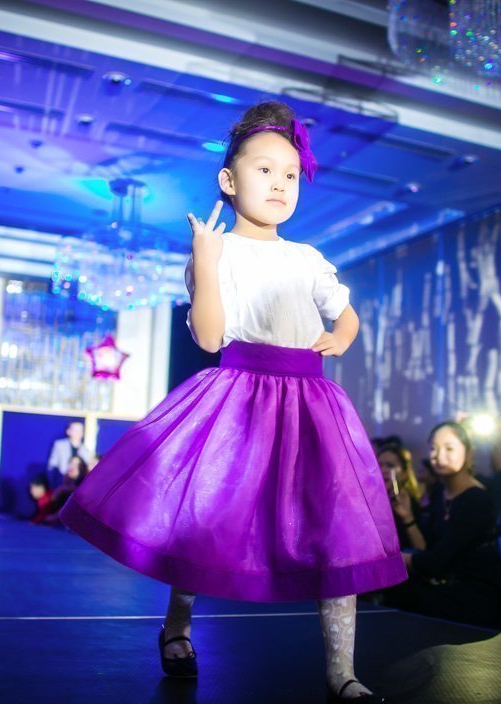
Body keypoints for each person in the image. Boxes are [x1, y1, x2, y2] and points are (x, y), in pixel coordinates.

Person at [58, 102, 405, 702]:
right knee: (207, 517)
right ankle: (177, 625)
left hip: (311, 402)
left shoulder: (307, 258)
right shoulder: (216, 252)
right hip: (240, 396)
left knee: (335, 526)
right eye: (264, 170)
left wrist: (342, 335)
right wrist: (206, 259)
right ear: (229, 180)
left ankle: (342, 671)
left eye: (290, 175)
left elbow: (345, 312)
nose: (279, 183)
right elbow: (210, 337)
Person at [382, 422, 501, 629]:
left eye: (449, 448)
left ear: (469, 453)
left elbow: (438, 560)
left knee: (400, 591)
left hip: (471, 593)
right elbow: (427, 549)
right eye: (434, 448)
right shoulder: (440, 494)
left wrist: (399, 559)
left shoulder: (477, 500)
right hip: (442, 583)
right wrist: (408, 518)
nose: (439, 455)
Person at [378, 444, 427, 549]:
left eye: (390, 466)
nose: (383, 470)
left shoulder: (409, 505)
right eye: (379, 465)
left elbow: (422, 549)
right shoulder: (367, 503)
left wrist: (407, 518)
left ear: (404, 473)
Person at [47, 421, 87, 486]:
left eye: (80, 431)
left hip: (79, 485)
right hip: (60, 483)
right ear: (68, 431)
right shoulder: (59, 445)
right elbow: (52, 466)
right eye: (75, 430)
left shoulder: (86, 451)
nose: (77, 433)